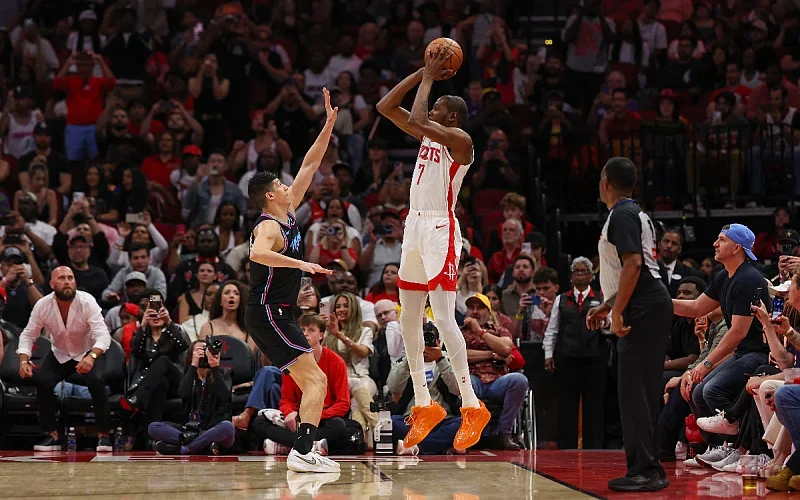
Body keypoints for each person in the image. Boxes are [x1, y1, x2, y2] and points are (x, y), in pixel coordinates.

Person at [376, 41, 490, 451]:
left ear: (451, 116)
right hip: (415, 226)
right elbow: (386, 107)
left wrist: (428, 77)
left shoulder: (460, 140)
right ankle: (424, 404)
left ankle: (472, 405)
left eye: (438, 105)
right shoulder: (429, 133)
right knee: (409, 317)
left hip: (441, 227)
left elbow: (418, 117)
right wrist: (421, 73)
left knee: (442, 317)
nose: (430, 107)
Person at [245, 87, 340, 473]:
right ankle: (302, 452)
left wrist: (329, 123)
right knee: (315, 380)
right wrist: (303, 265)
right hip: (268, 311)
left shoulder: (287, 212)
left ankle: (303, 449)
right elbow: (257, 254)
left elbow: (310, 163)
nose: (288, 187)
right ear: (270, 196)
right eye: (281, 187)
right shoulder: (268, 226)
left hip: (277, 313)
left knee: (315, 380)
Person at [585, 157, 673, 492]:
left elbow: (634, 264)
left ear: (605, 182)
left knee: (635, 393)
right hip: (648, 302)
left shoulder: (621, 214)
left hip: (643, 305)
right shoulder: (634, 213)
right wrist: (607, 305)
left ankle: (646, 470)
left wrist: (618, 311)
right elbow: (631, 269)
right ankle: (647, 468)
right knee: (639, 393)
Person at [671, 224, 772, 465]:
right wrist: (661, 302)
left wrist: (706, 363)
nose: (715, 244)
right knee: (697, 391)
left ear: (737, 247)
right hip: (742, 352)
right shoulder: (723, 276)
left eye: (722, 240)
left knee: (711, 390)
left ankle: (736, 447)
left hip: (759, 354)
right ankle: (718, 447)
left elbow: (738, 332)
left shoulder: (748, 279)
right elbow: (696, 308)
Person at [17, 266, 113, 452]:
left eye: (70, 277)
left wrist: (92, 356)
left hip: (87, 351)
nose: (67, 281)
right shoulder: (43, 305)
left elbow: (103, 335)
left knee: (96, 382)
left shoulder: (87, 301)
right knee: (43, 382)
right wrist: (23, 360)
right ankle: (52, 434)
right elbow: (28, 334)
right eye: (62, 278)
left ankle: (104, 435)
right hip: (60, 353)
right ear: (52, 284)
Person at [147, 340, 235, 455]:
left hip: (213, 429)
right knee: (153, 427)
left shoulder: (222, 373)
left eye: (206, 350)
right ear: (191, 356)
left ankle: (185, 448)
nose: (203, 353)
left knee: (228, 427)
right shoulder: (189, 375)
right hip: (190, 428)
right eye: (199, 350)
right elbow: (183, 394)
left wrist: (215, 367)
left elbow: (225, 397)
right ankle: (203, 445)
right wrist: (193, 365)